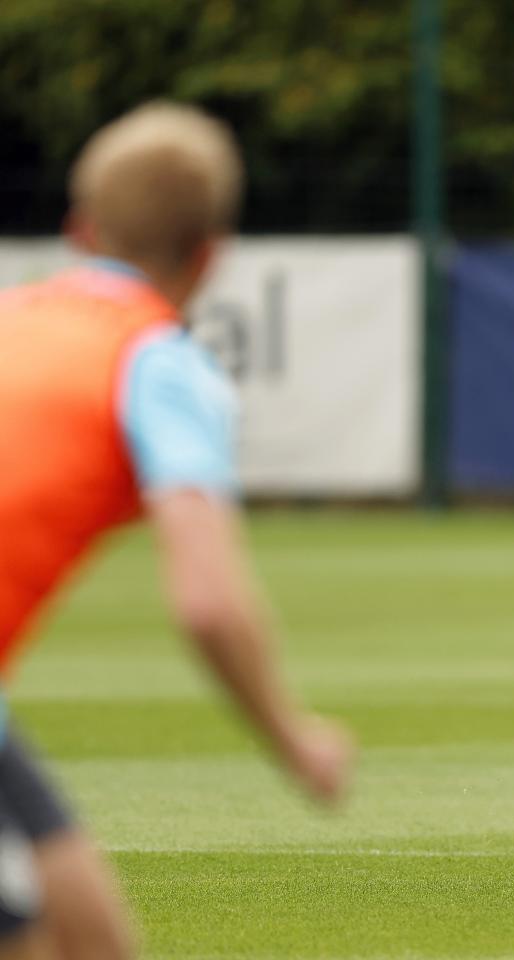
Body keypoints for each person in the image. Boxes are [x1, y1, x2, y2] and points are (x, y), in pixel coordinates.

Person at [0, 102, 354, 958]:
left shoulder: (11, 313)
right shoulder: (158, 365)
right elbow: (208, 602)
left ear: (80, 229)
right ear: (211, 255)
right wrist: (292, 737)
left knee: (89, 933)